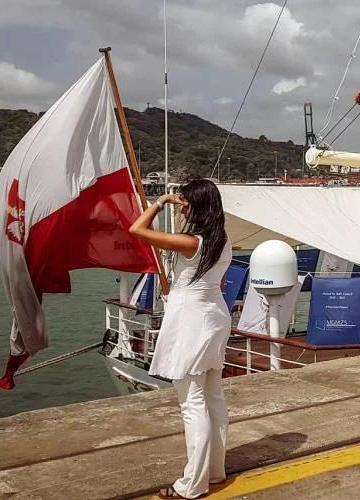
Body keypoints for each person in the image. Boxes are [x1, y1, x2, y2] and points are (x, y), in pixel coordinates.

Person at [129, 179, 234, 499]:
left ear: (198, 206)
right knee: (212, 397)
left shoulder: (191, 242)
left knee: (193, 403)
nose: (182, 206)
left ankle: (192, 484)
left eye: (186, 202)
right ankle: (214, 471)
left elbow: (136, 229)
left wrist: (159, 203)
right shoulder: (223, 241)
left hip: (192, 322)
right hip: (215, 317)